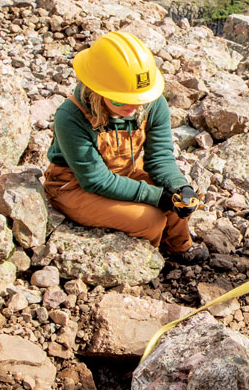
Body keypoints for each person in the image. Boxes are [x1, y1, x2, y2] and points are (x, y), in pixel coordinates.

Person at [44, 31, 207, 265]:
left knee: (176, 200)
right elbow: (96, 180)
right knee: (151, 221)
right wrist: (156, 197)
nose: (132, 107)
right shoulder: (70, 116)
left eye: (139, 99)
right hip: (75, 186)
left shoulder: (153, 104)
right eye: (119, 99)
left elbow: (160, 157)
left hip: (125, 173)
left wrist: (179, 186)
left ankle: (179, 247)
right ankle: (146, 263)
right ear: (96, 89)